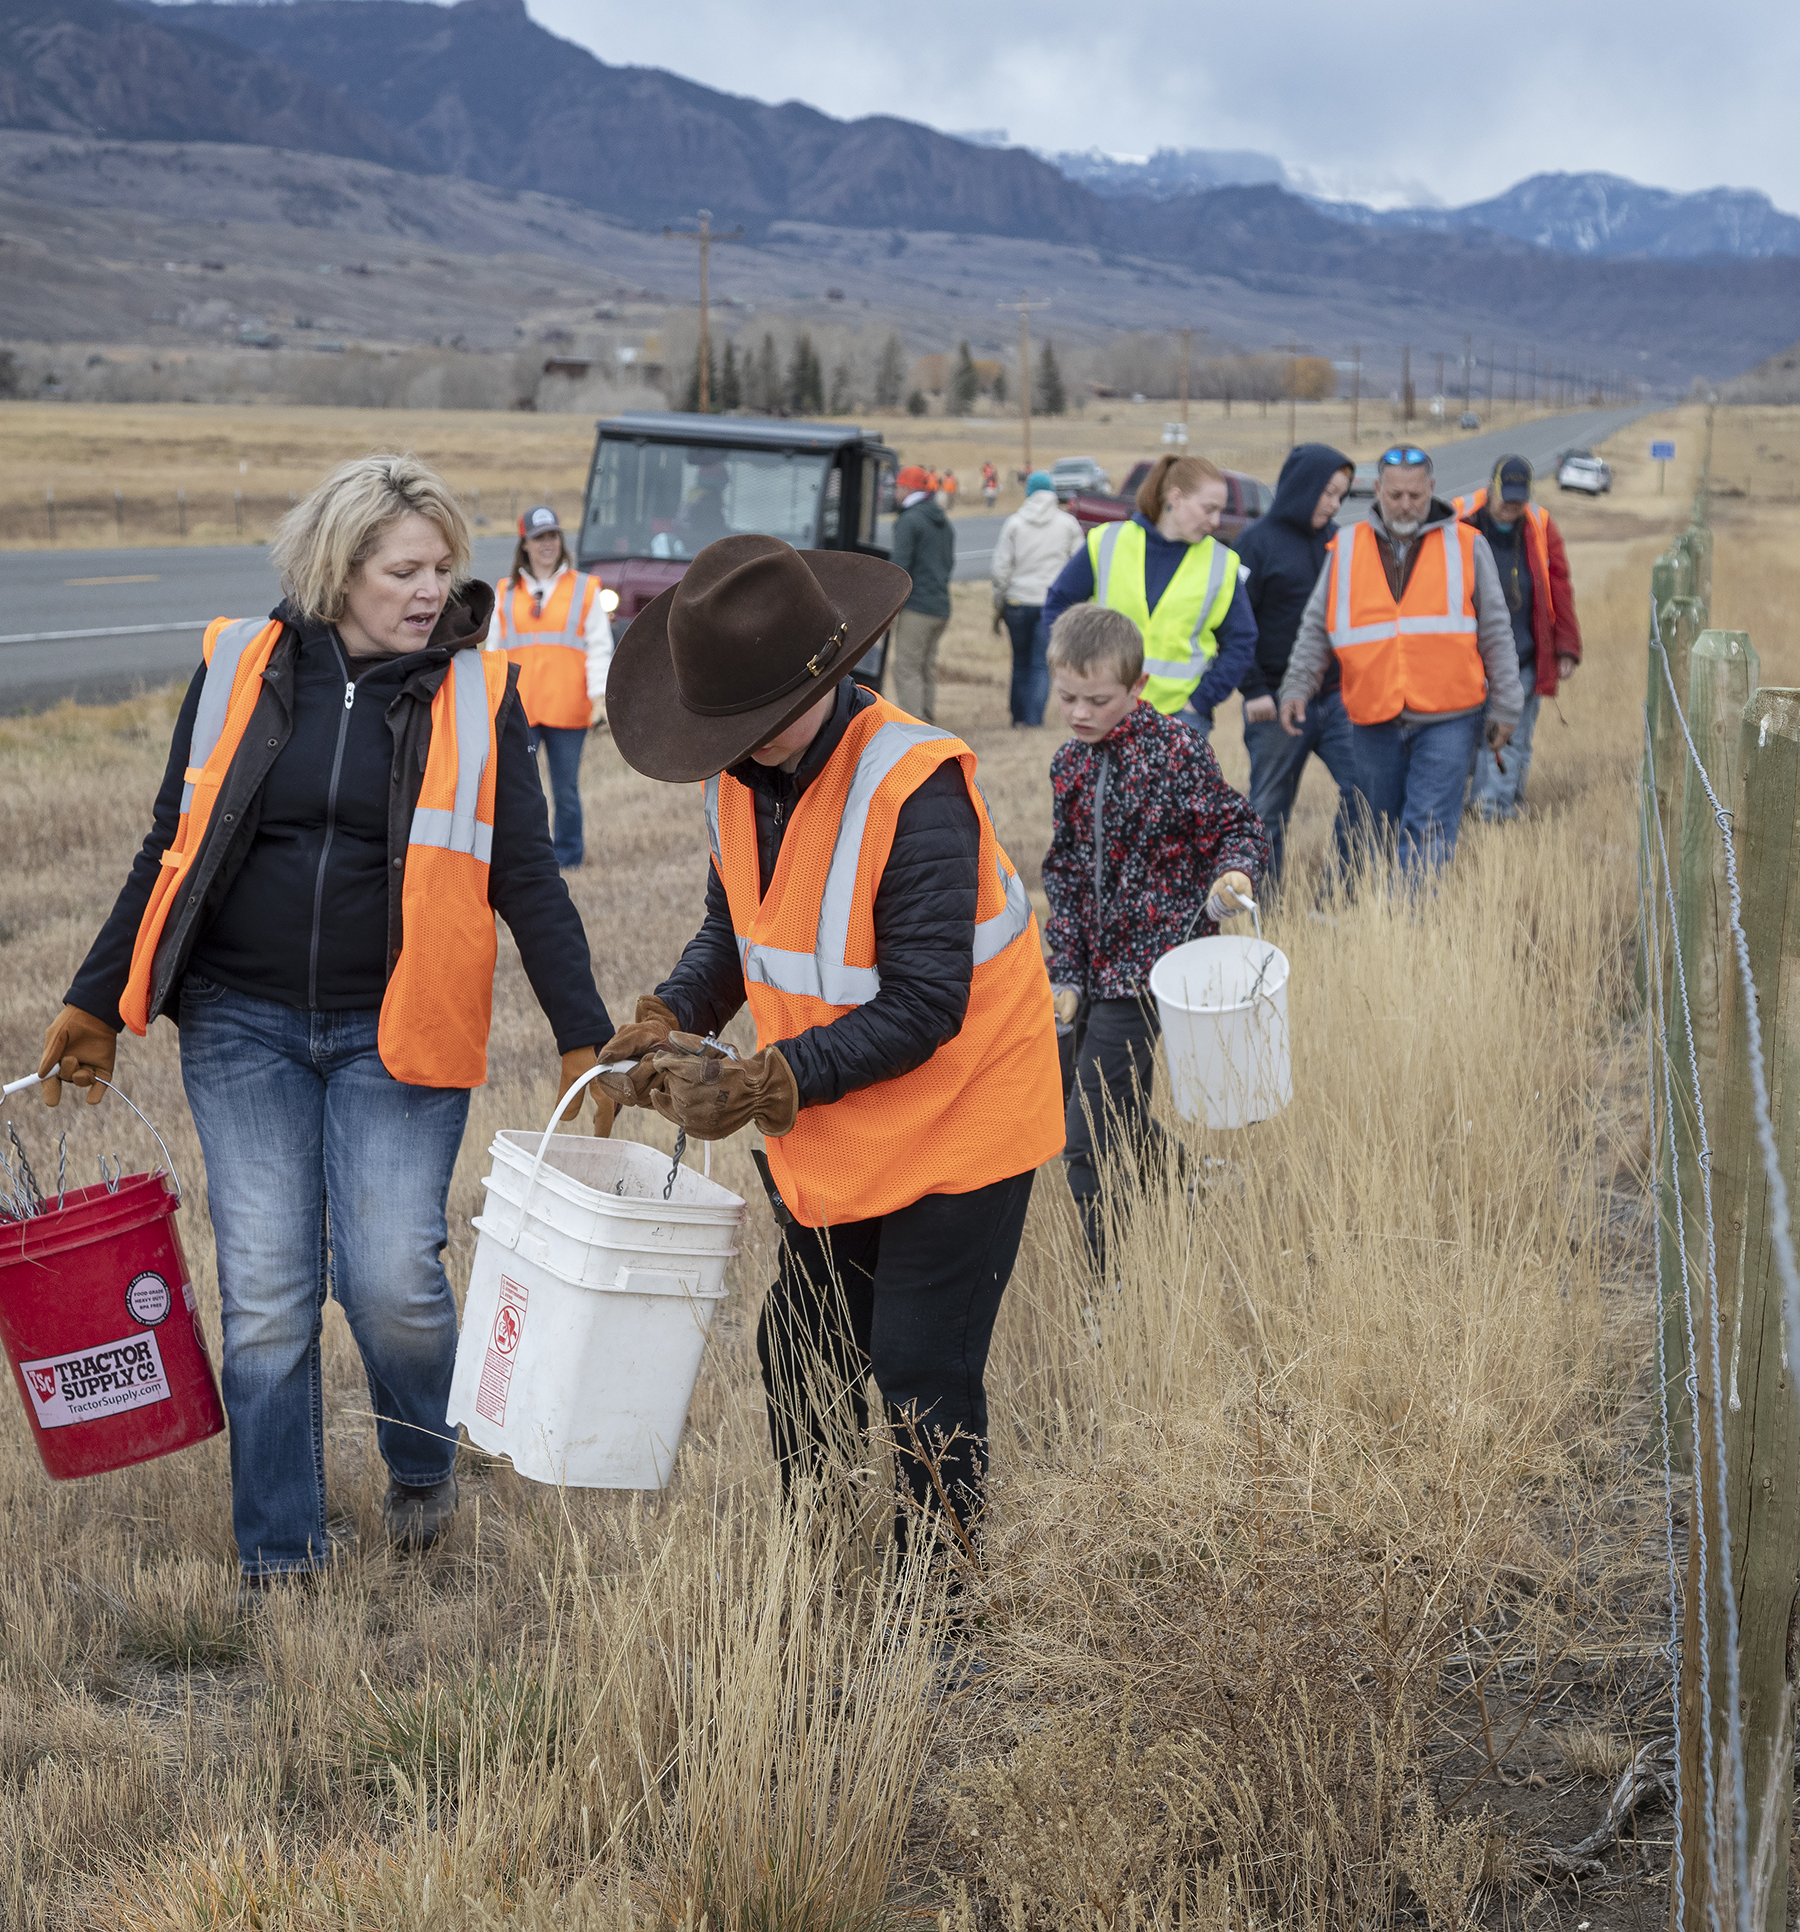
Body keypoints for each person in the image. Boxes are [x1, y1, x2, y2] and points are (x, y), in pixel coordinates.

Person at [32, 456, 613, 1582]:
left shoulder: (478, 697)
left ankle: (421, 1454)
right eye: (405, 568)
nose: (430, 590)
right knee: (265, 1292)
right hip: (239, 1023)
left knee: (392, 1278)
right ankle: (281, 1554)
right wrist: (97, 995)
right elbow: (173, 843)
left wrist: (580, 1028)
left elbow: (528, 875)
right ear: (339, 569)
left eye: (445, 567)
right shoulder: (239, 667)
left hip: (396, 1028)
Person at [595, 534, 1062, 1557]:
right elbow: (740, 929)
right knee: (801, 1351)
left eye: (752, 721)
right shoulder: (738, 775)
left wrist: (771, 1078)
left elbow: (931, 1000)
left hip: (963, 1121)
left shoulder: (913, 783)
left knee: (919, 1370)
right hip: (839, 1125)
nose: (734, 741)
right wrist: (674, 1014)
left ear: (827, 672)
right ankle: (818, 1557)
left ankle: (932, 1603)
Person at [1040, 605, 1266, 1273]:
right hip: (1094, 976)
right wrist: (1067, 974)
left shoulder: (1176, 751)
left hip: (1154, 971)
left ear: (1137, 687)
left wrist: (1233, 871)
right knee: (1110, 1104)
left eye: (1098, 699)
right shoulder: (1068, 767)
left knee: (1084, 1136)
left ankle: (1106, 1282)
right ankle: (1190, 1182)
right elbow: (1069, 875)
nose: (1080, 712)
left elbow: (1238, 826)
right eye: (1067, 697)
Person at [1276, 445, 1519, 880]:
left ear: (1431, 489)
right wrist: (1297, 685)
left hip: (1449, 716)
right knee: (1380, 829)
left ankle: (1410, 926)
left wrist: (1505, 706)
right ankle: (1383, 925)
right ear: (1377, 490)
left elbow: (1496, 631)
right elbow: (1317, 626)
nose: (1405, 505)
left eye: (1415, 495)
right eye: (1395, 496)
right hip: (1373, 718)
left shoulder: (1467, 544)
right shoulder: (1345, 547)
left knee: (1427, 829)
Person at [1038, 454, 1256, 730]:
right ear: (1175, 498)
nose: (1215, 521)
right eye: (1208, 509)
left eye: (1219, 511)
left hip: (1182, 717)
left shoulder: (1223, 563)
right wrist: (1073, 666)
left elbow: (1242, 641)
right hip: (1111, 710)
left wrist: (1200, 701)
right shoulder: (1108, 541)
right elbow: (1059, 602)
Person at [1233, 442, 1361, 895]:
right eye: (1327, 491)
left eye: (1341, 495)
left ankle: (1337, 899)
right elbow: (1233, 625)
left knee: (1365, 792)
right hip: (1274, 704)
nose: (1332, 503)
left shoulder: (1339, 543)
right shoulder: (1255, 542)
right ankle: (1266, 914)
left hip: (1336, 698)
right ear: (1303, 487)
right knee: (1269, 810)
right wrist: (1253, 691)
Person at [483, 505, 613, 867]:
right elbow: (493, 652)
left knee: (565, 792)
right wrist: (492, 701)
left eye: (553, 536)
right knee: (517, 792)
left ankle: (568, 856)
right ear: (524, 544)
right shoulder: (506, 592)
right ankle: (520, 855)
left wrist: (599, 697)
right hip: (519, 709)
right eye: (539, 537)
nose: (547, 544)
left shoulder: (585, 588)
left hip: (568, 708)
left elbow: (599, 648)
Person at [1459, 454, 1580, 823]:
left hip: (1525, 654)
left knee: (1510, 736)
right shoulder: (1459, 519)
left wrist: (1566, 648)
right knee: (1470, 740)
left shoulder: (1540, 525)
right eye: (1505, 496)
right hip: (1467, 655)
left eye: (1519, 497)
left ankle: (1493, 812)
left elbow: (1558, 586)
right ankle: (1499, 803)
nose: (1511, 505)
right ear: (1490, 487)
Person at [989, 469, 1078, 728]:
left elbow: (1001, 569)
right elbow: (1077, 565)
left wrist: (999, 600)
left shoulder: (1015, 523)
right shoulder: (1067, 524)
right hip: (1051, 603)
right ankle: (1033, 719)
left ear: (1028, 492)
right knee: (1041, 664)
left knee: (1020, 661)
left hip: (1018, 601)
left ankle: (1017, 717)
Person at [886, 465, 955, 722]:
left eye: (897, 486)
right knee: (926, 667)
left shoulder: (908, 520)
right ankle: (927, 721)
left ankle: (914, 726)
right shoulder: (942, 521)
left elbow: (899, 569)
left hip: (918, 607)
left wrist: (888, 609)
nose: (894, 492)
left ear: (907, 488)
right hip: (940, 605)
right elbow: (948, 563)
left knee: (906, 668)